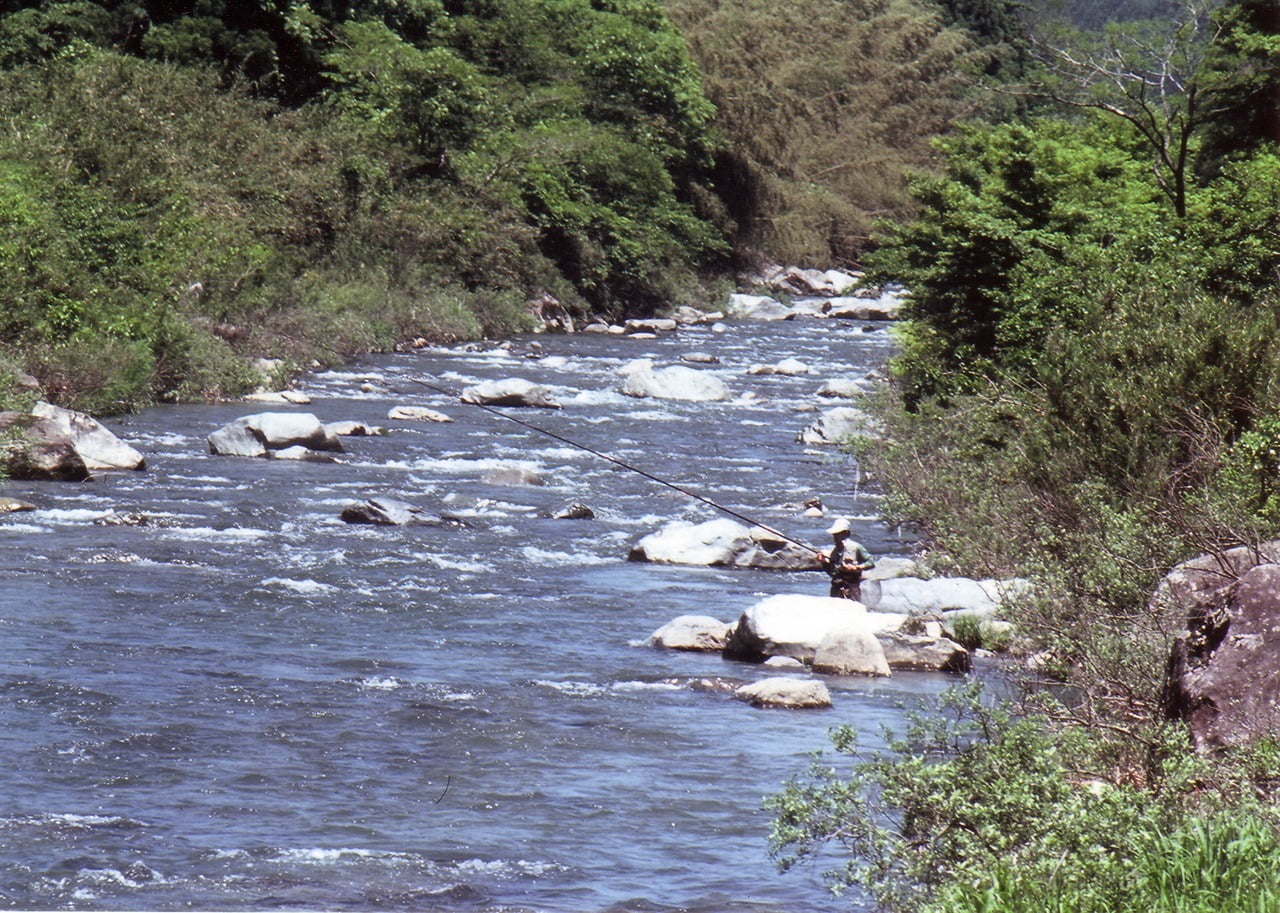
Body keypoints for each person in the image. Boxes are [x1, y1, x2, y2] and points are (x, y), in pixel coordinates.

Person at [820, 517, 875, 601]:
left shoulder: (856, 547)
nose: (835, 536)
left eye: (838, 533)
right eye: (834, 534)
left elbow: (871, 562)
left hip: (852, 589)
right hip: (836, 589)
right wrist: (823, 562)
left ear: (846, 533)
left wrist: (856, 567)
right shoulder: (834, 551)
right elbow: (831, 573)